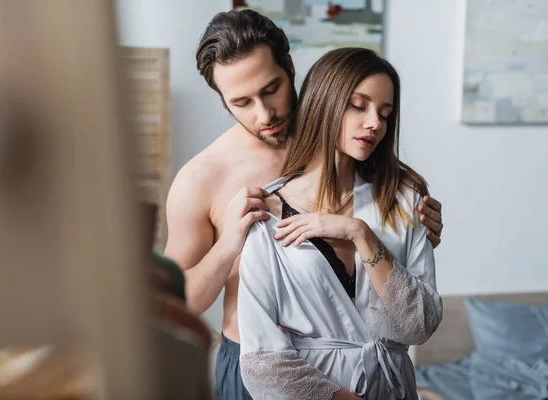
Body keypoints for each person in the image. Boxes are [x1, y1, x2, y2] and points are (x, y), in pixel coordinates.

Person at [163, 9, 444, 399]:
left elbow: (396, 220)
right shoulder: (202, 178)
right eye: (242, 102)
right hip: (259, 366)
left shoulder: (348, 137)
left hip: (362, 366)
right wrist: (230, 243)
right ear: (223, 100)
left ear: (290, 68)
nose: (265, 114)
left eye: (271, 89)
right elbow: (178, 302)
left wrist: (420, 226)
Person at [237, 47, 442, 400]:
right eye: (358, 105)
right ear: (324, 102)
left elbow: (418, 326)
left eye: (385, 112)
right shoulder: (266, 214)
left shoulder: (403, 201)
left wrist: (361, 234)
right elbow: (262, 363)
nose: (375, 122)